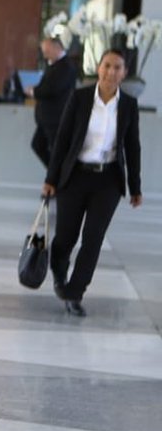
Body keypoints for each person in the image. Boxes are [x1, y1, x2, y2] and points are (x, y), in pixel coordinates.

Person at [43, 48, 142, 317]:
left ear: (124, 73)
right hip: (75, 177)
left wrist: (135, 186)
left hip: (108, 180)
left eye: (118, 67)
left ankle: (75, 292)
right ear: (98, 68)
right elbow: (62, 140)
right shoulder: (80, 98)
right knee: (65, 236)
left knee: (93, 239)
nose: (112, 72)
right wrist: (51, 179)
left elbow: (132, 147)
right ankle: (60, 276)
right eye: (107, 65)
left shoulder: (129, 105)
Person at [29, 36, 77, 167]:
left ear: (57, 47)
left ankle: (57, 177)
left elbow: (52, 88)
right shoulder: (54, 65)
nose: (45, 54)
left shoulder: (66, 66)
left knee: (57, 152)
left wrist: (34, 91)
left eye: (47, 50)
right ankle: (55, 175)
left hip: (56, 119)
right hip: (46, 120)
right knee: (38, 145)